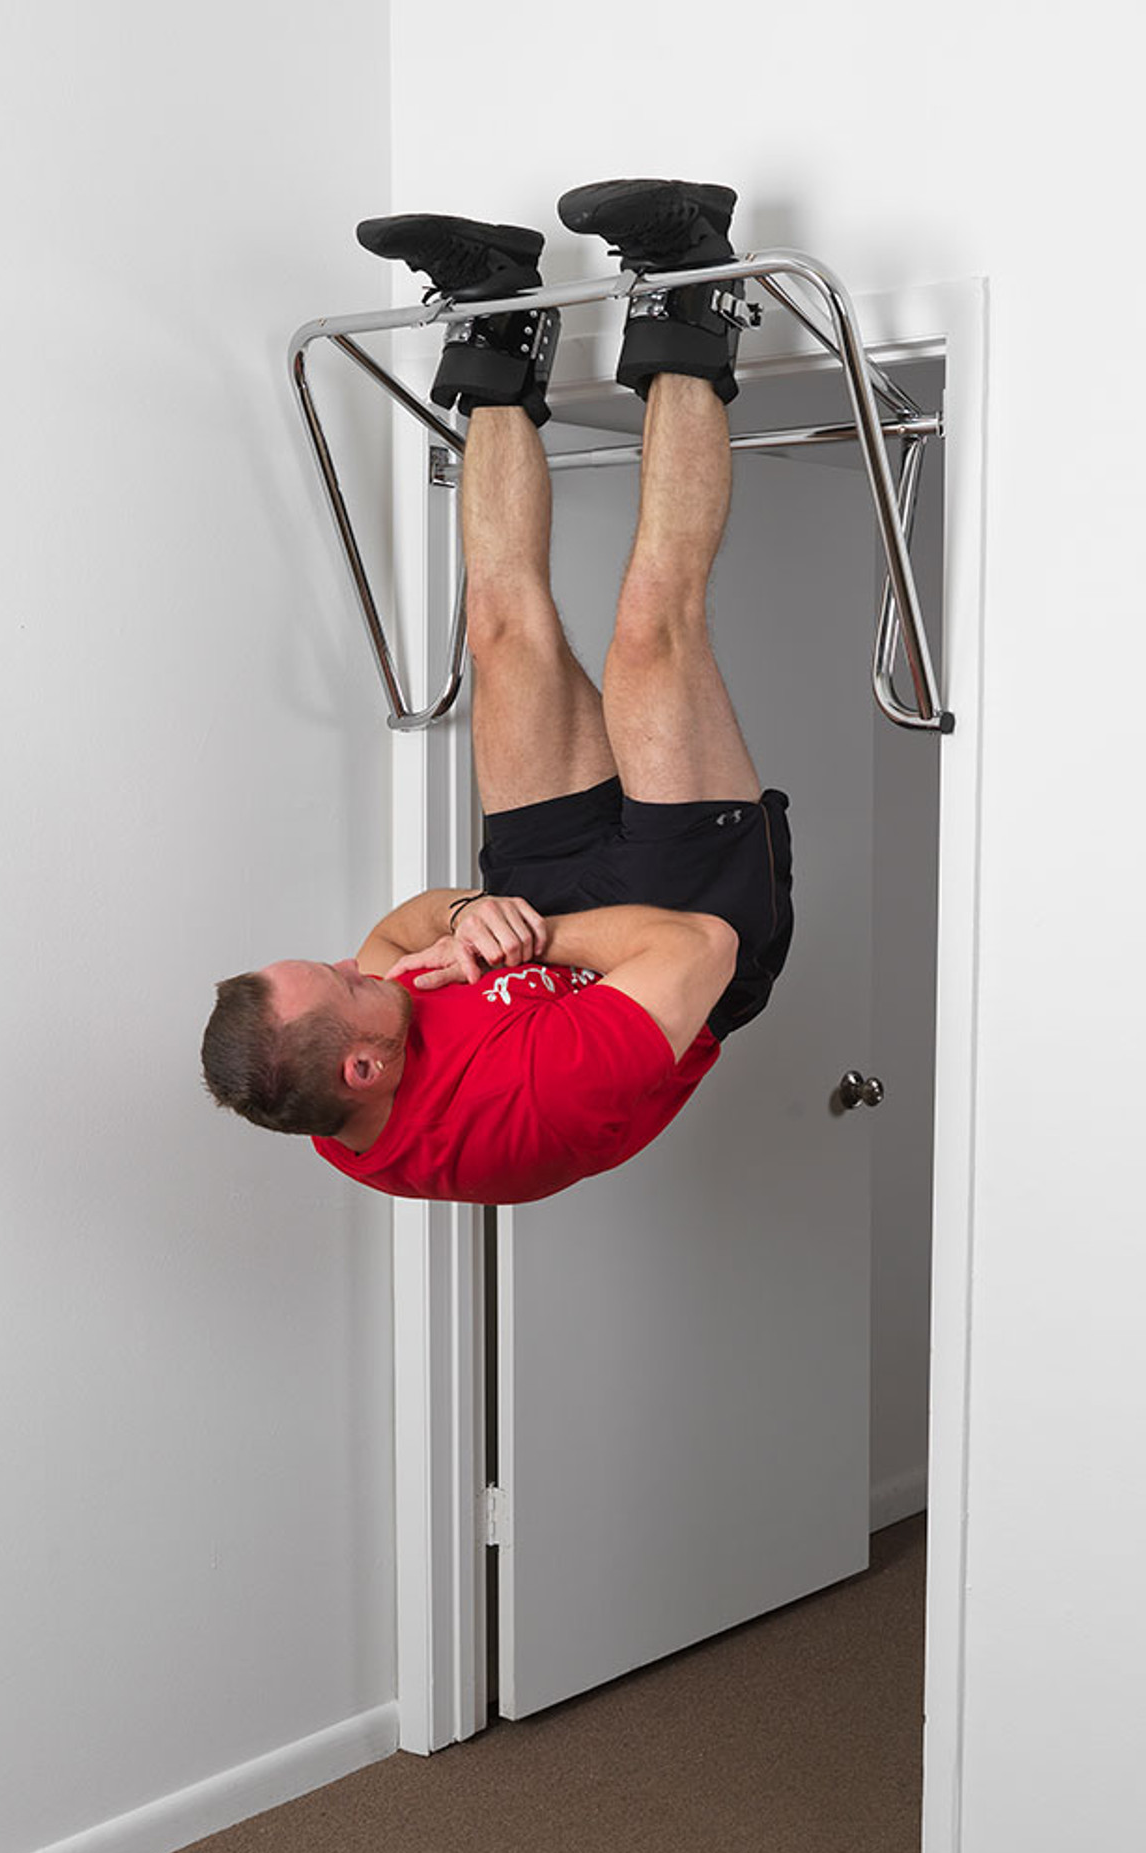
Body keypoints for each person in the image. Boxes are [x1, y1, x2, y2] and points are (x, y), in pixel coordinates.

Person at [201, 178, 793, 1205]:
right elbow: (700, 946)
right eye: (348, 985)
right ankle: (694, 274)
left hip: (539, 905)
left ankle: (498, 309)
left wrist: (476, 916)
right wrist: (529, 938)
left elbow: (402, 931)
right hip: (679, 942)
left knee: (500, 628)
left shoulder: (318, 1076)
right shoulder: (525, 1110)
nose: (362, 964)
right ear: (364, 1068)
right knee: (651, 628)